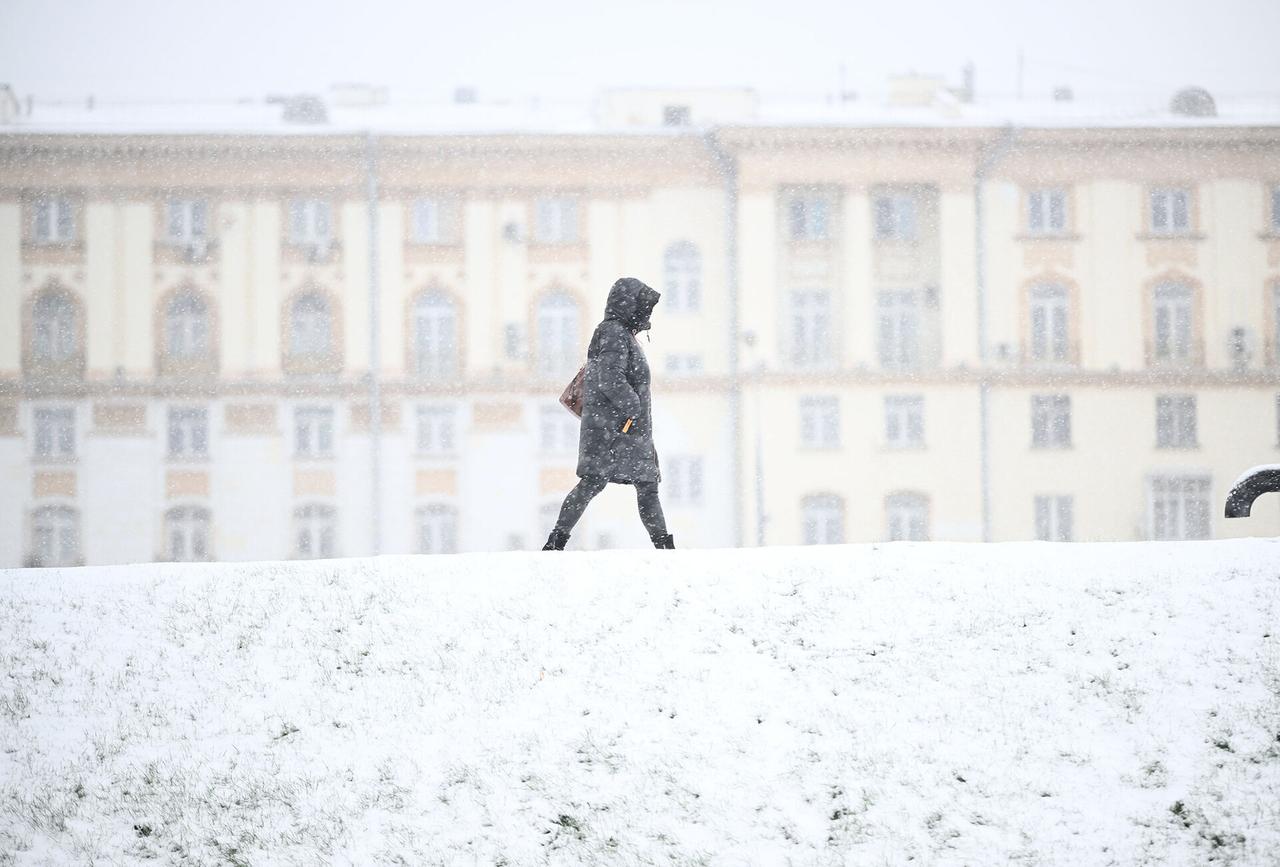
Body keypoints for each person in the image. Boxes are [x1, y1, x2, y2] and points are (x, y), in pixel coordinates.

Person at [543, 277, 674, 551]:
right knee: (593, 483)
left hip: (628, 429)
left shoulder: (622, 334)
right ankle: (556, 542)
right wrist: (632, 406)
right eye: (641, 305)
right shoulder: (613, 332)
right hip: (614, 429)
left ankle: (665, 549)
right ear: (629, 305)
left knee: (645, 485)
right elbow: (609, 376)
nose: (646, 312)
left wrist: (634, 412)